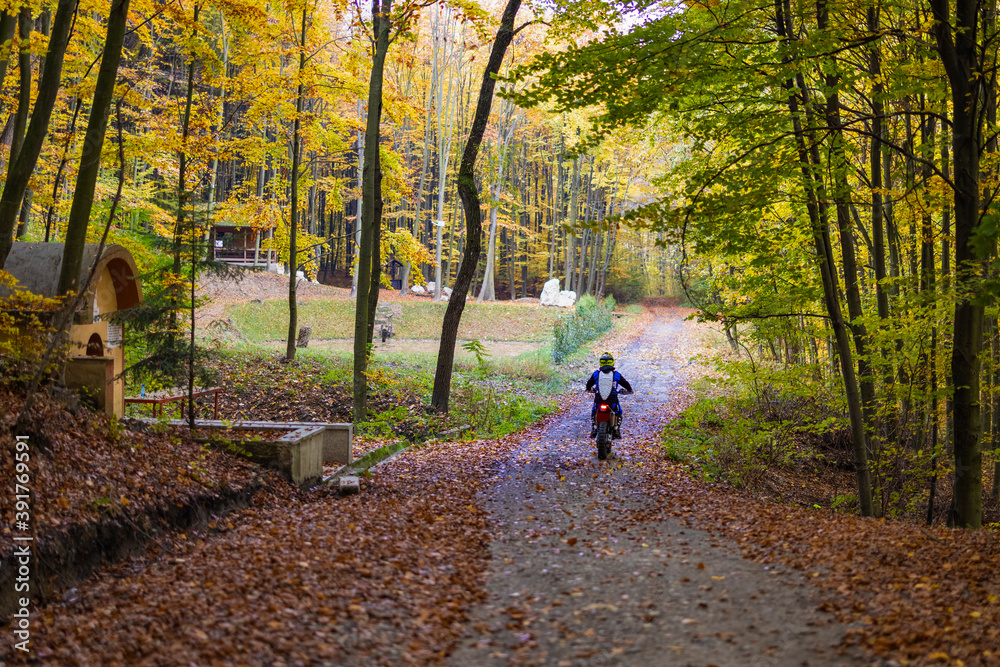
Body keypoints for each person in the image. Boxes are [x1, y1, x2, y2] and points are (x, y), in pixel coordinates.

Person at [586, 351, 633, 439]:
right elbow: (626, 384)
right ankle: (616, 429)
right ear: (612, 362)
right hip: (612, 400)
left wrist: (590, 389)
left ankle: (594, 428)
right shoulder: (616, 374)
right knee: (619, 412)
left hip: (599, 399)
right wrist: (628, 390)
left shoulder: (596, 373)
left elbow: (588, 384)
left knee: (594, 411)